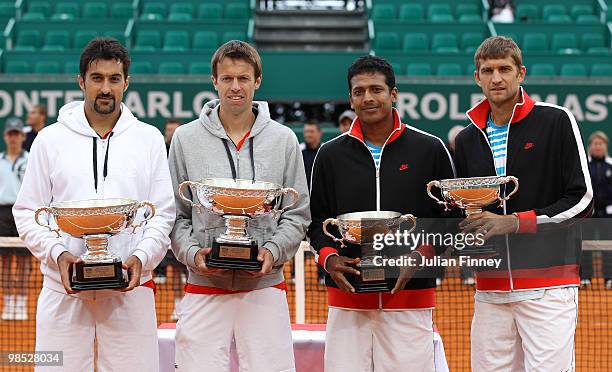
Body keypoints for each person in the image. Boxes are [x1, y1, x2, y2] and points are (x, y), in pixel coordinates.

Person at [12, 37, 175, 371]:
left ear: (126, 83)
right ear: (81, 81)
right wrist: (58, 255)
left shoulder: (149, 139)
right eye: (97, 78)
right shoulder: (49, 140)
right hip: (63, 288)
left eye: (114, 79)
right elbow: (28, 211)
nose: (105, 88)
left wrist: (140, 258)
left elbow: (162, 212)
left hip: (131, 288)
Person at [169, 40, 311, 371]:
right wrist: (193, 254)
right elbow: (175, 214)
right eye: (228, 78)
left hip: (264, 285)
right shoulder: (185, 140)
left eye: (244, 78)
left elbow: (297, 213)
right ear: (214, 81)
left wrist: (273, 251)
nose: (236, 87)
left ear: (257, 81)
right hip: (203, 285)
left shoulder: (284, 139)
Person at [308, 55, 455, 371]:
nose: (368, 98)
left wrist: (420, 256)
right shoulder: (330, 154)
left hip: (410, 300)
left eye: (376, 89)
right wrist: (330, 259)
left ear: (393, 93)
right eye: (359, 91)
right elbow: (317, 221)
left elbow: (449, 220)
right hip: (347, 302)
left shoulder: (430, 148)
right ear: (350, 98)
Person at [454, 36, 592, 371]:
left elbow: (582, 199)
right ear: (477, 78)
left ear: (521, 73)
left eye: (504, 69)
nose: (496, 78)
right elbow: (463, 208)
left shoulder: (556, 120)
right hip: (490, 290)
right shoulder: (468, 139)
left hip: (549, 287)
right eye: (487, 70)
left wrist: (516, 221)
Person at [0, 117, 30, 320]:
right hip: (1, 213)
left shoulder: (30, 160)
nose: (13, 138)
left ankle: (21, 302)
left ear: (22, 136)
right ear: (5, 136)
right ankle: (9, 302)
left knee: (23, 260)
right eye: (10, 134)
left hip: (22, 213)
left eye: (16, 134)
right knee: (4, 261)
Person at [583, 131, 612, 288]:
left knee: (609, 246)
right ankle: (585, 278)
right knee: (585, 245)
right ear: (590, 146)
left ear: (605, 146)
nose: (598, 146)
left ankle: (609, 278)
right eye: (595, 144)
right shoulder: (584, 165)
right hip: (589, 212)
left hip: (608, 214)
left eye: (601, 144)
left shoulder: (610, 165)